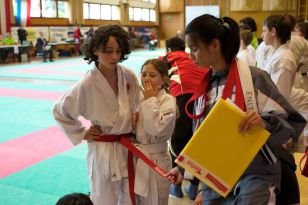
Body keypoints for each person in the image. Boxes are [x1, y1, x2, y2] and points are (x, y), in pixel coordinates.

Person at [166, 14, 306, 205]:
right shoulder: (204, 89)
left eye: (194, 49)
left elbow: (292, 121)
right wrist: (183, 170)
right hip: (216, 178)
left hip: (255, 173)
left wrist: (263, 123)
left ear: (214, 44)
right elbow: (203, 140)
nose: (190, 56)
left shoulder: (254, 78)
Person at [53, 24, 140, 205]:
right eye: (108, 51)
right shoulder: (87, 84)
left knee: (131, 198)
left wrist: (137, 117)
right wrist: (82, 132)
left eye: (118, 51)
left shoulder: (129, 76)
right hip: (103, 151)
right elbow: (60, 111)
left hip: (128, 146)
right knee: (103, 199)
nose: (115, 56)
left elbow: (141, 104)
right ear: (95, 50)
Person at [258, 14, 308, 205]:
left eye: (264, 31)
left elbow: (279, 97)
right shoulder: (274, 52)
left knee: (281, 163)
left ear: (273, 32)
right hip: (269, 112)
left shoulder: (284, 58)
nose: (262, 35)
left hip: (275, 116)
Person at [160, 36, 207, 200]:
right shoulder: (193, 58)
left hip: (181, 100)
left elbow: (153, 76)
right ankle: (194, 187)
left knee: (177, 143)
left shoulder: (166, 59)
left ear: (169, 50)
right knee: (196, 144)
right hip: (202, 102)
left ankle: (176, 186)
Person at [133, 59, 177, 205]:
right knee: (138, 199)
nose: (146, 79)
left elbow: (156, 128)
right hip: (138, 156)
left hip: (157, 158)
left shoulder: (168, 100)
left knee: (156, 200)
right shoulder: (138, 98)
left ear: (163, 79)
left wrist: (151, 100)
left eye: (152, 75)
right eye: (144, 74)